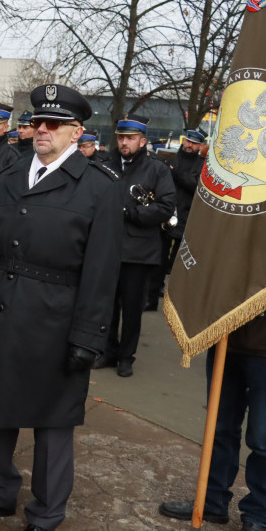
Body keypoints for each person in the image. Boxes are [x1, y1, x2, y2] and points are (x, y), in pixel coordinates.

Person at [0, 84, 122, 531]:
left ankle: (46, 514)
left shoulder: (98, 187)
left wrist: (89, 336)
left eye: (53, 124)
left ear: (76, 132)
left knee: (51, 424)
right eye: (37, 122)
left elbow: (102, 271)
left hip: (56, 321)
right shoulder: (7, 175)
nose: (41, 131)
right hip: (2, 310)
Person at [159, 113, 266, 531]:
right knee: (221, 425)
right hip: (227, 329)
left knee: (265, 437)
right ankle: (211, 503)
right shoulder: (245, 190)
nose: (265, 151)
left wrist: (265, 259)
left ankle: (256, 518)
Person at [93, 115, 175, 377]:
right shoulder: (104, 163)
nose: (124, 142)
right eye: (120, 137)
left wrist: (130, 213)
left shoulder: (157, 169)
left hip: (138, 253)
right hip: (107, 246)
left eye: (130, 138)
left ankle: (126, 357)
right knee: (106, 306)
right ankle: (107, 351)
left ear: (142, 140)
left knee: (131, 309)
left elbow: (165, 207)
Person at [146, 130, 204, 311]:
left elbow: (196, 186)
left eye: (194, 143)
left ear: (200, 146)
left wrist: (176, 173)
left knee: (182, 263)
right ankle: (152, 298)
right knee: (159, 261)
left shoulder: (202, 164)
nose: (189, 145)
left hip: (187, 218)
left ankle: (178, 303)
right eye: (187, 141)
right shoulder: (170, 158)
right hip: (166, 215)